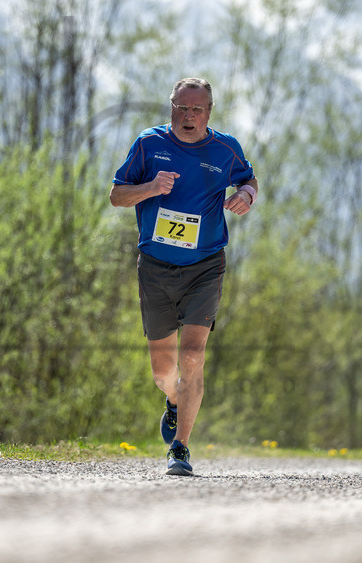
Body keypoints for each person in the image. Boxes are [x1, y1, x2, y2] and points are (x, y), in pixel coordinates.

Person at [109, 77, 258, 476]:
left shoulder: (225, 149)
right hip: (155, 267)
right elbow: (117, 195)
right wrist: (150, 188)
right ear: (171, 107)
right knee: (163, 372)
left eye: (196, 109)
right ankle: (174, 400)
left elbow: (248, 178)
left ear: (209, 112)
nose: (188, 116)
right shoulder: (149, 143)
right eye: (181, 108)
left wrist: (246, 195)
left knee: (192, 355)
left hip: (205, 266)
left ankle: (180, 448)